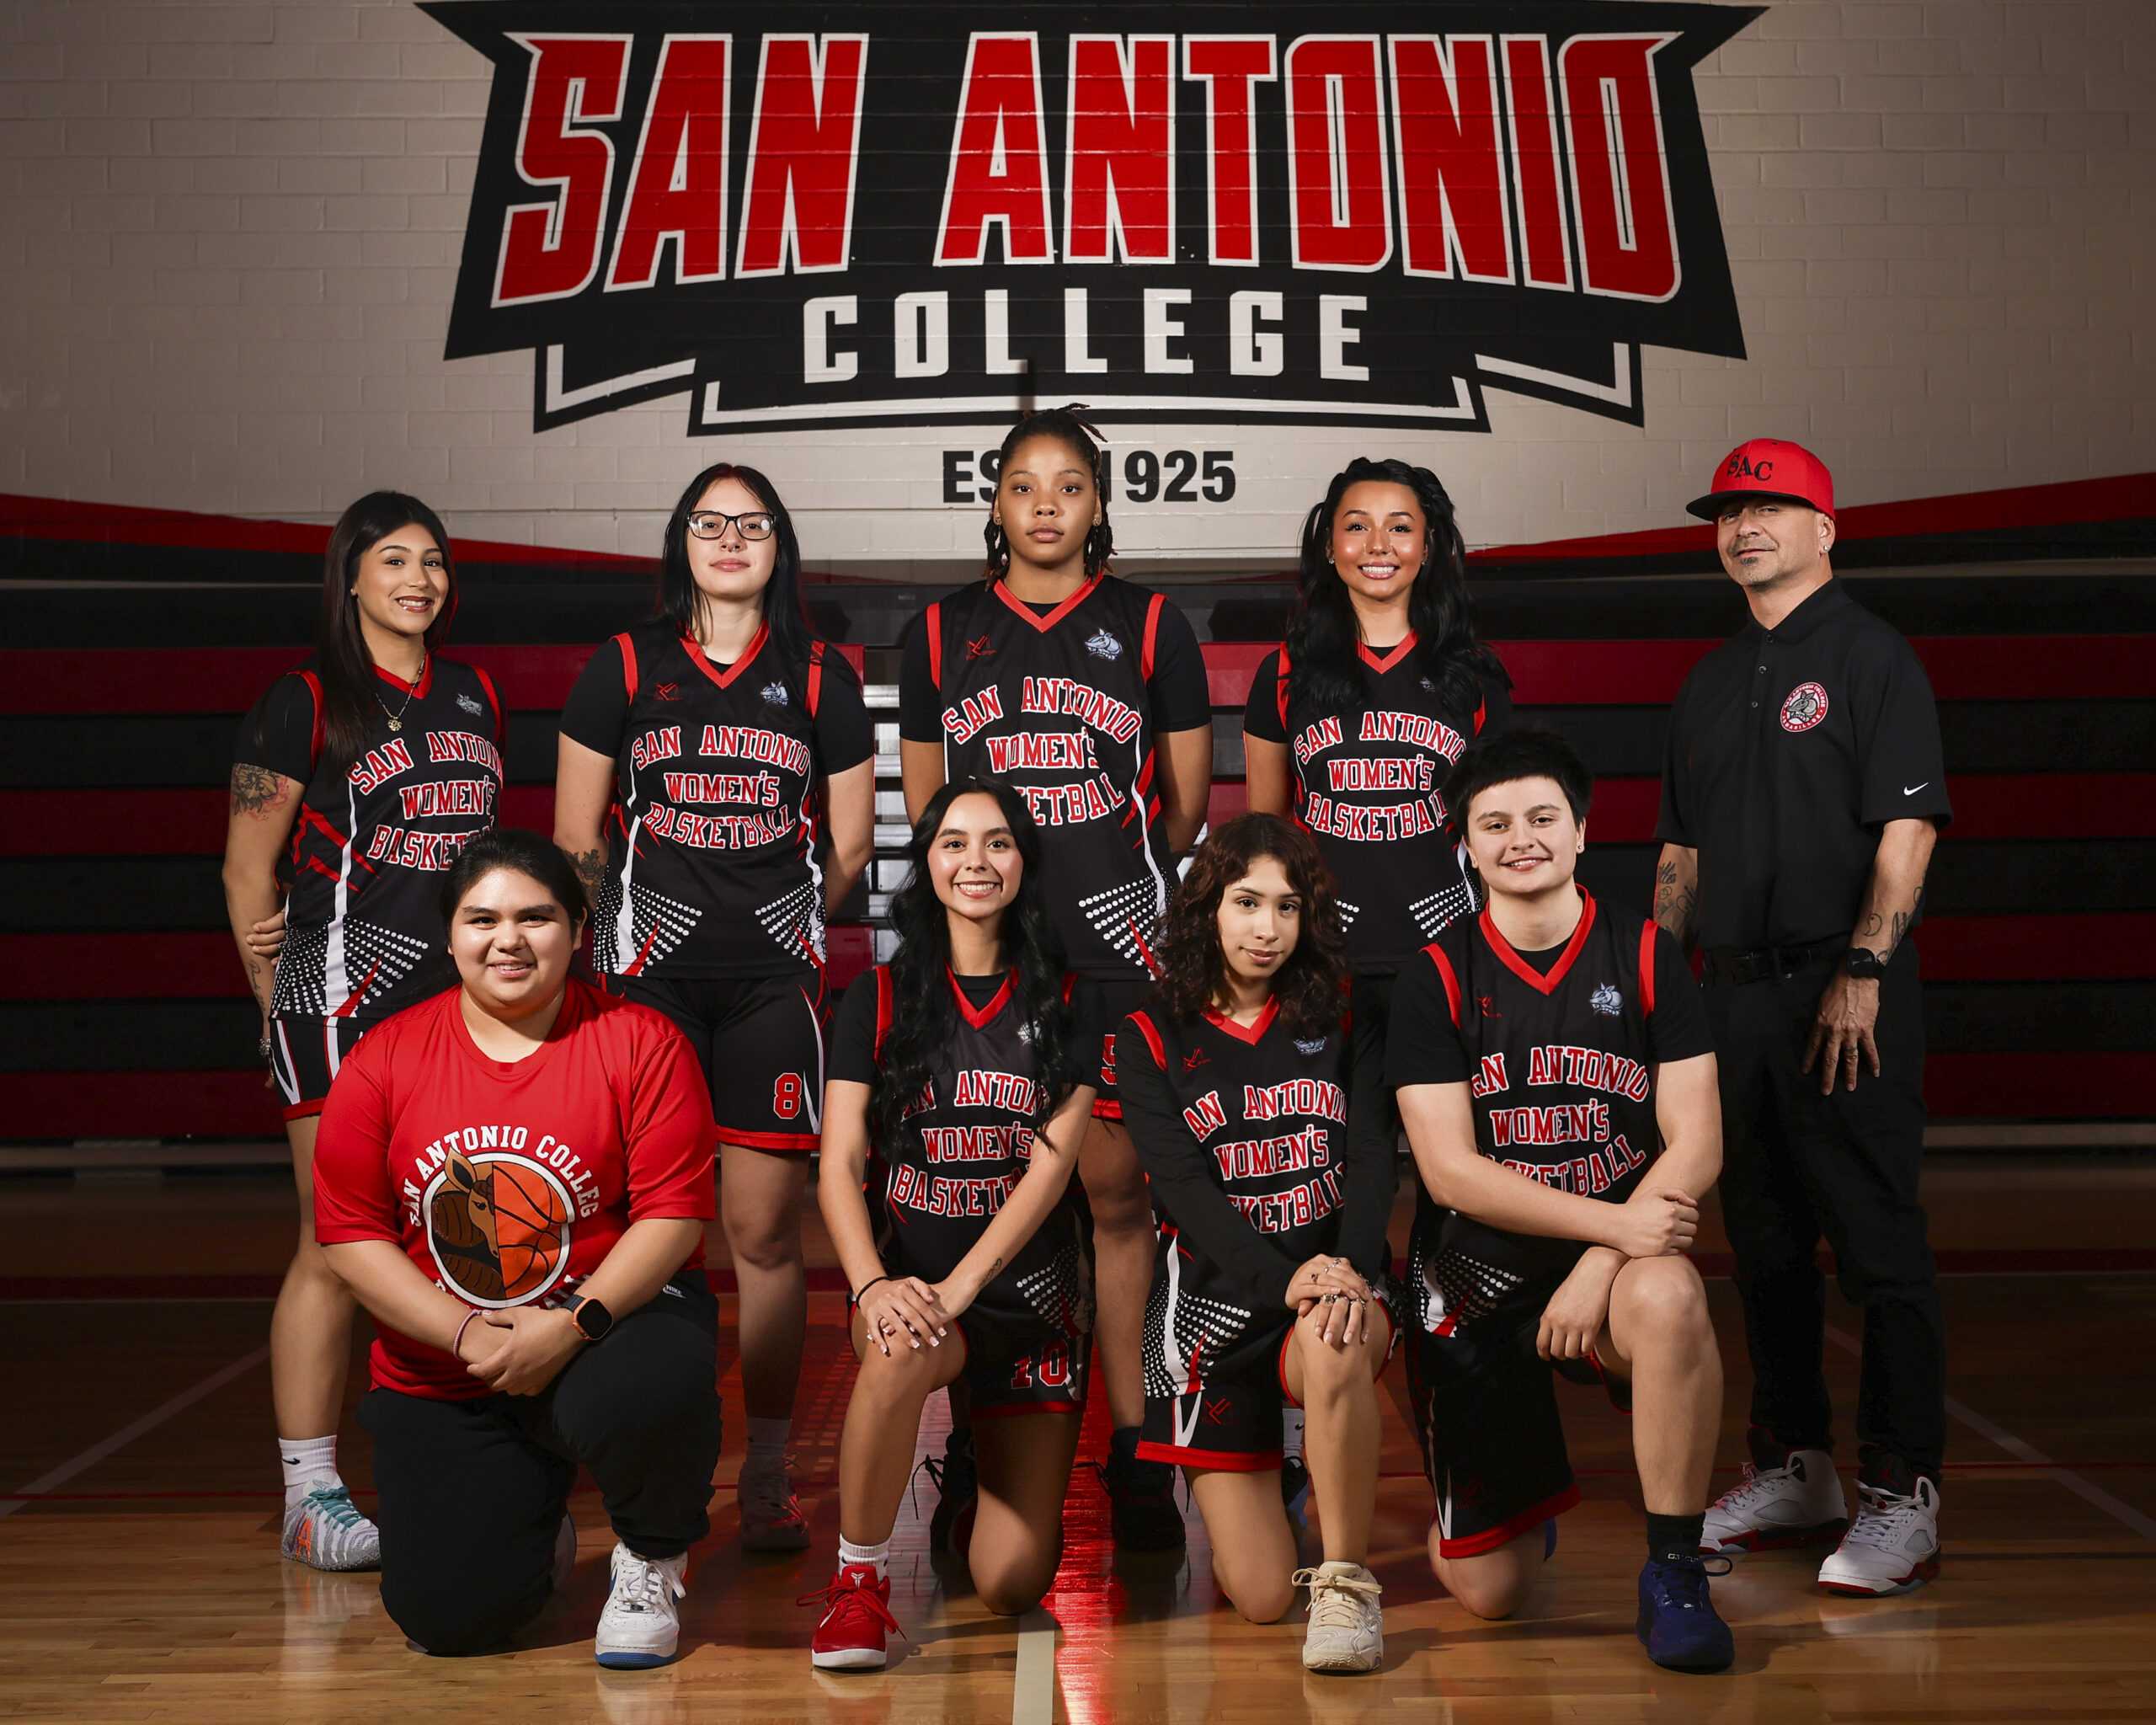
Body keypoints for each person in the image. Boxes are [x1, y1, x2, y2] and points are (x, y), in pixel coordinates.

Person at [897, 406, 1213, 1551]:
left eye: (1068, 485)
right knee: (986, 1194)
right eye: (1023, 486)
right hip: (993, 957)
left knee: (1118, 1196)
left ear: (1097, 501)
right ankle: (981, 1431)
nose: (1044, 506)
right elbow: (939, 812)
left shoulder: (1152, 625)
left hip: (1120, 956)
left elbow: (1182, 808)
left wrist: (1116, 887)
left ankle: (1137, 1447)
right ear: (994, 504)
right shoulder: (939, 633)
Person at [554, 461, 874, 1553]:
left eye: (751, 524)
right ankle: (635, 1467)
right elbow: (575, 838)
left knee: (762, 1233)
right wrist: (616, 946)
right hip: (646, 988)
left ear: (779, 544)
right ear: (680, 540)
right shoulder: (626, 665)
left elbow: (852, 844)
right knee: (647, 1231)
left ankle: (771, 1466)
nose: (730, 538)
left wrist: (777, 919)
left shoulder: (823, 676)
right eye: (709, 522)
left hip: (769, 991)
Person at [312, 830, 723, 1667]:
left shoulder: (642, 1040)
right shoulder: (384, 1056)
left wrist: (572, 1323)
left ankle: (649, 1552)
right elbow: (351, 1236)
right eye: (482, 918)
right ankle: (534, 1522)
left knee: (656, 1374)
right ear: (450, 933)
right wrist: (467, 1333)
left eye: (536, 915)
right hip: (451, 1364)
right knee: (447, 1620)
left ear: (576, 927)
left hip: (600, 1331)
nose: (508, 939)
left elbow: (674, 1217)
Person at [1657, 440, 1951, 1594]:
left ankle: (1902, 1488)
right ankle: (1798, 1465)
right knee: (1765, 1247)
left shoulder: (1875, 659)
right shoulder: (1709, 679)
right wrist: (1659, 989)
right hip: (1728, 995)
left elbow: (1908, 830)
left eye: (1772, 506)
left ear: (1827, 528)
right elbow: (1681, 853)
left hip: (1845, 996)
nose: (1746, 525)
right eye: (1730, 511)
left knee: (1877, 1247)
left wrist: (1867, 966)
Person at [1390, 729, 1735, 1674]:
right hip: (1474, 1264)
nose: (1520, 838)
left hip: (1612, 1267)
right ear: (1465, 844)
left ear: (1581, 831)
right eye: (1493, 823)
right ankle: (1496, 1515)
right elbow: (1450, 1173)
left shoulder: (1650, 954)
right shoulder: (1437, 973)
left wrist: (1603, 1259)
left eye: (1542, 818)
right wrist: (1617, 1225)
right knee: (1492, 1596)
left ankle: (1673, 1570)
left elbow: (1696, 1139)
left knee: (1669, 1296)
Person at [223, 490, 504, 1571]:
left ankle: (444, 1456)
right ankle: (310, 1490)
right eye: (394, 561)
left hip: (451, 1009)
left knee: (450, 1233)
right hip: (334, 1005)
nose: (418, 580)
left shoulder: (473, 694)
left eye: (432, 561)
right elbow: (250, 868)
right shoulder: (303, 700)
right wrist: (280, 1008)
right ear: (350, 576)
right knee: (337, 1247)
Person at [1241, 453, 1512, 1508]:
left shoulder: (1470, 673)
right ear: (1328, 543)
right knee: (1326, 1181)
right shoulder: (1285, 671)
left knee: (1458, 1192)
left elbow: (1500, 831)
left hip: (1444, 966)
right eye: (1356, 525)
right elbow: (1269, 839)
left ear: (1430, 543)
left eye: (1400, 526)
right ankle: (1306, 1422)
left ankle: (1469, 1408)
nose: (1378, 545)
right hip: (1330, 971)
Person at [805, 780, 1100, 1671]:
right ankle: (857, 1584)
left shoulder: (1071, 997)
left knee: (1011, 1580)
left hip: (1029, 1293)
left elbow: (1050, 1172)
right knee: (896, 1344)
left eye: (999, 842)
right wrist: (871, 1285)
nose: (977, 860)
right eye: (954, 842)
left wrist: (958, 1292)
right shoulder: (881, 995)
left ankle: (971, 1462)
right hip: (912, 1287)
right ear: (927, 862)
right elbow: (838, 1164)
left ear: (1025, 862)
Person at [1115, 814, 1397, 1675]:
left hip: (1324, 1288)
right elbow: (1183, 1193)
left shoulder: (1345, 1007)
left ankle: (1345, 1584)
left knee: (1336, 1329)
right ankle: (1282, 1467)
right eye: (1245, 902)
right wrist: (1286, 1280)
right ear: (1208, 907)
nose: (1266, 927)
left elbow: (1372, 1152)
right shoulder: (1150, 1030)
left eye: (1286, 905)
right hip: (1210, 1315)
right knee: (1264, 1593)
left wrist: (1344, 1269)